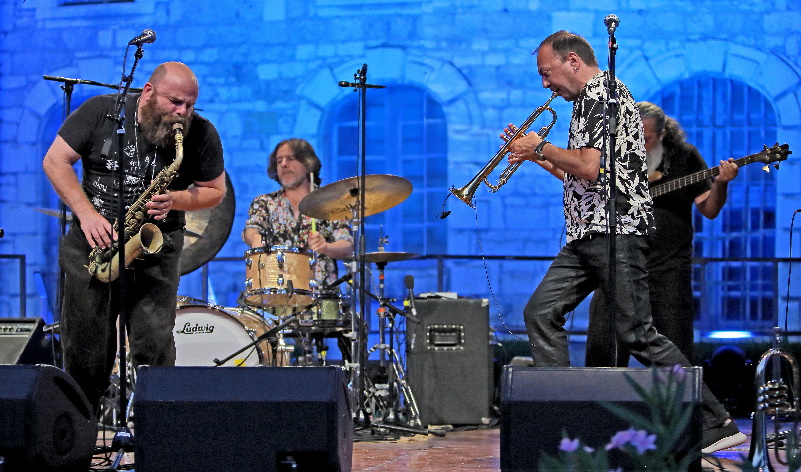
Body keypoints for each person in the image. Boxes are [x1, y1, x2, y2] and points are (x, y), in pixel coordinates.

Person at [505, 31, 746, 454]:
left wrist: (540, 143)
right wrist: (534, 155)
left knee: (637, 333)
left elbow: (590, 167)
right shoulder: (586, 102)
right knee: (541, 313)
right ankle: (561, 422)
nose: (545, 84)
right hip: (586, 234)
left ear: (573, 61)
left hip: (616, 230)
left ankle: (716, 421)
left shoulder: (606, 96)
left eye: (547, 73)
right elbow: (582, 174)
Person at [42, 62, 226, 413]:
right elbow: (55, 161)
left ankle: (156, 430)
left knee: (154, 343)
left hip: (155, 245)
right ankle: (81, 432)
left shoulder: (200, 132)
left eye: (189, 105)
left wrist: (176, 199)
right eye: (174, 102)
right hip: (93, 243)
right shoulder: (101, 112)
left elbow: (214, 191)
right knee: (85, 346)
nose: (182, 112)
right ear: (147, 92)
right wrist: (87, 214)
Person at [585, 102, 739, 367]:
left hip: (669, 269)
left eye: (644, 139)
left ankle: (678, 407)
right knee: (604, 349)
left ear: (662, 134)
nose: (638, 144)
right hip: (617, 266)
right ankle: (604, 406)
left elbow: (710, 209)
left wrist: (722, 184)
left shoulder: (684, 156)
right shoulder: (614, 156)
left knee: (675, 354)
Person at [242, 139, 354, 364]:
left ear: (308, 163)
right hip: (275, 291)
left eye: (290, 159)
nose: (283, 164)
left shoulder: (328, 202)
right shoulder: (265, 203)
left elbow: (348, 246)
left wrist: (327, 246)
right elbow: (251, 229)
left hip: (319, 294)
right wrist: (256, 240)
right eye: (278, 160)